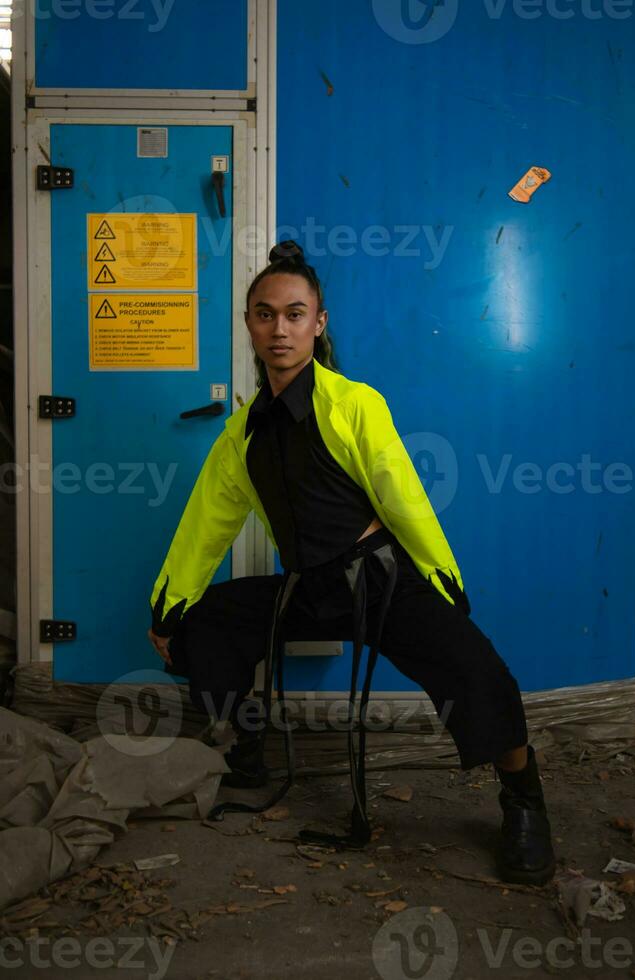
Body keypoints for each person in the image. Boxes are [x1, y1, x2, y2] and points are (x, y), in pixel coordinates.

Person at [148, 241, 555, 885]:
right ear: (250, 323)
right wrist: (168, 607)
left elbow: (404, 497)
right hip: (308, 589)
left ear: (319, 322)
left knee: (481, 674)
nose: (279, 328)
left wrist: (443, 579)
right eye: (265, 314)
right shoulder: (242, 432)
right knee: (205, 623)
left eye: (294, 313)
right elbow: (205, 525)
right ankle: (247, 750)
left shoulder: (355, 404)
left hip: (380, 580)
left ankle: (525, 805)